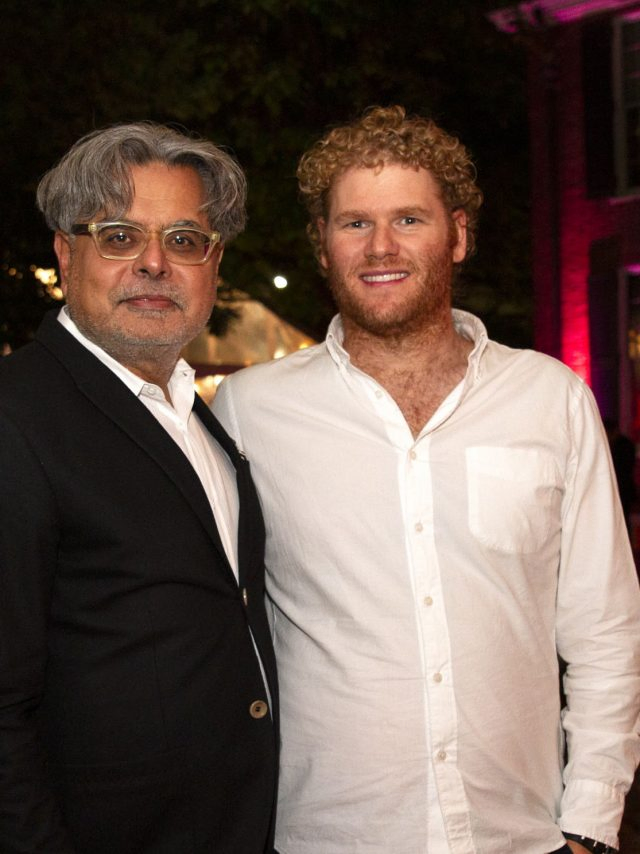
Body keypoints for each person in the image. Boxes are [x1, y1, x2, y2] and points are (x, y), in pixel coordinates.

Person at [212, 106, 640, 854]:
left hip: (524, 837)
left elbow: (604, 629)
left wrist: (590, 827)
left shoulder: (550, 399)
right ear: (322, 245)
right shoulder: (252, 411)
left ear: (458, 235)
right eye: (354, 223)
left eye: (409, 219)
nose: (381, 246)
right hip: (329, 837)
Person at [0, 123, 279, 853]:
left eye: (184, 240)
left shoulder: (201, 419)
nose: (155, 263)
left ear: (214, 265)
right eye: (120, 236)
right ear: (66, 254)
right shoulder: (15, 417)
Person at [603, 418, 636, 533]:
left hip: (621, 487)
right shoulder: (625, 444)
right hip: (624, 487)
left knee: (622, 518)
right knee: (624, 519)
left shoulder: (619, 446)